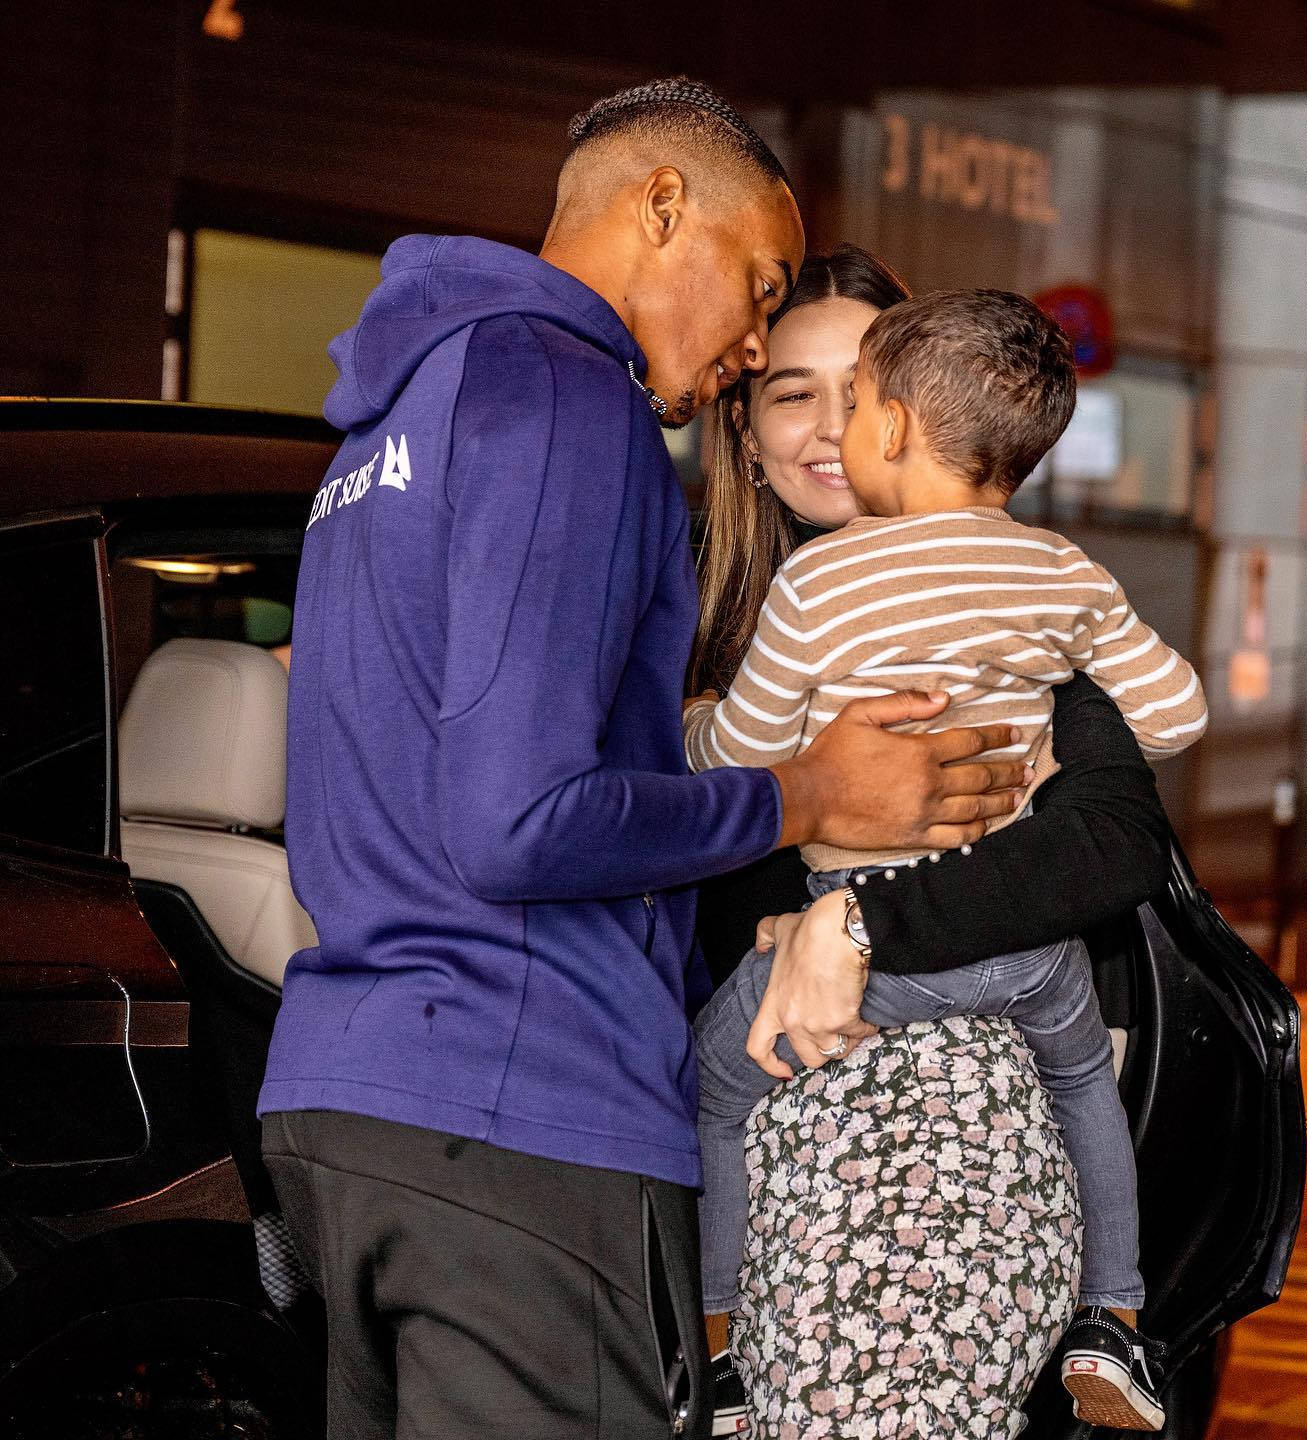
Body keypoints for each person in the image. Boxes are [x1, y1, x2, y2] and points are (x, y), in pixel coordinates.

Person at [257, 81, 1032, 1440]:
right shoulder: (569, 395)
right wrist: (813, 791)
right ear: (661, 206)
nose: (748, 337)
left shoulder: (396, 413)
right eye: (758, 283)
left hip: (351, 1112)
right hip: (519, 1121)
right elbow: (518, 822)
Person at [687, 287, 1203, 1432]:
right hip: (1029, 977)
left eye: (854, 395)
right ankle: (1112, 1325)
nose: (830, 429)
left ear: (900, 423)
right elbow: (1176, 708)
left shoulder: (812, 596)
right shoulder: (1055, 578)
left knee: (709, 1086)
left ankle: (713, 1350)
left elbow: (1117, 841)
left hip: (930, 1153)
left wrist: (853, 912)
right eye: (791, 393)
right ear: (742, 425)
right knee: (1085, 1085)